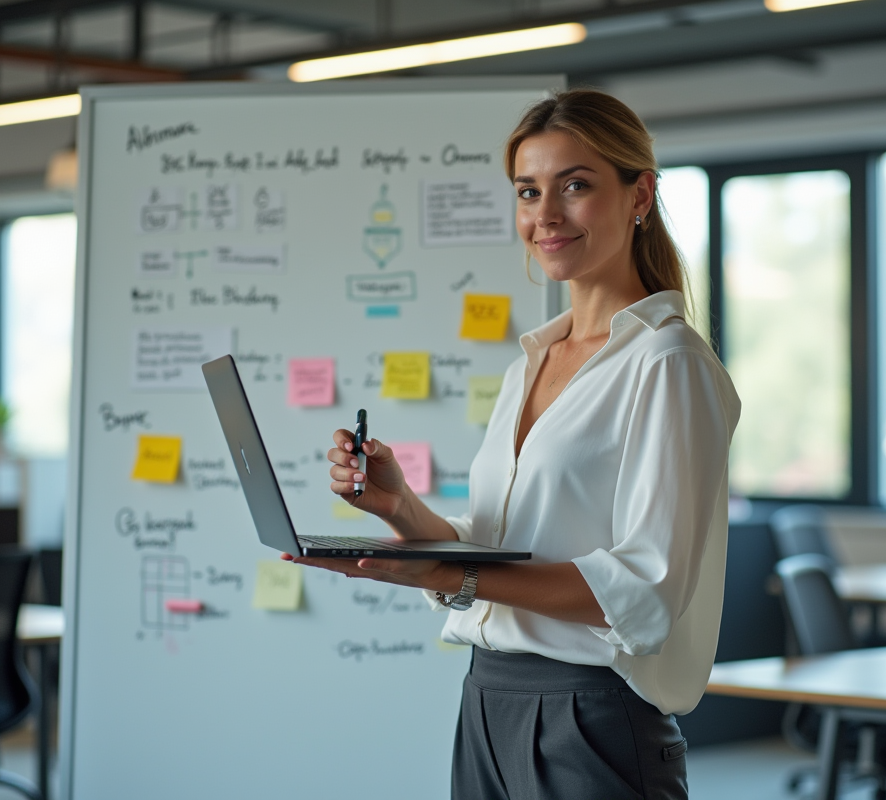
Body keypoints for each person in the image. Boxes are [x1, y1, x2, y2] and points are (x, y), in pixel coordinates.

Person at [284, 88, 740, 800]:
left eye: (577, 186)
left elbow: (645, 591)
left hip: (590, 716)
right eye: (529, 192)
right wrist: (402, 511)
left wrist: (440, 575)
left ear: (639, 195)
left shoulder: (668, 363)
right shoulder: (532, 361)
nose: (546, 216)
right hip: (488, 702)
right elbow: (501, 543)